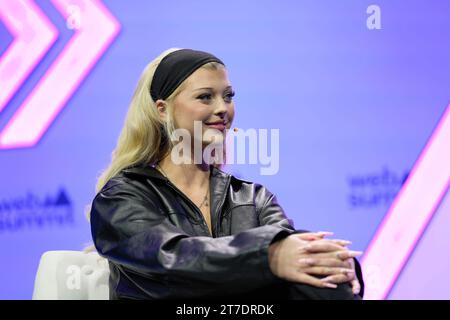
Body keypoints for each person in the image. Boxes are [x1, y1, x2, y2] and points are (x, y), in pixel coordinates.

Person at [89, 48, 364, 300]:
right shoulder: (121, 197)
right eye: (205, 96)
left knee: (326, 282)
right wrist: (270, 255)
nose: (223, 109)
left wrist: (333, 263)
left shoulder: (253, 197)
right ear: (162, 110)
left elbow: (292, 255)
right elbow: (172, 260)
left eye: (228, 96)